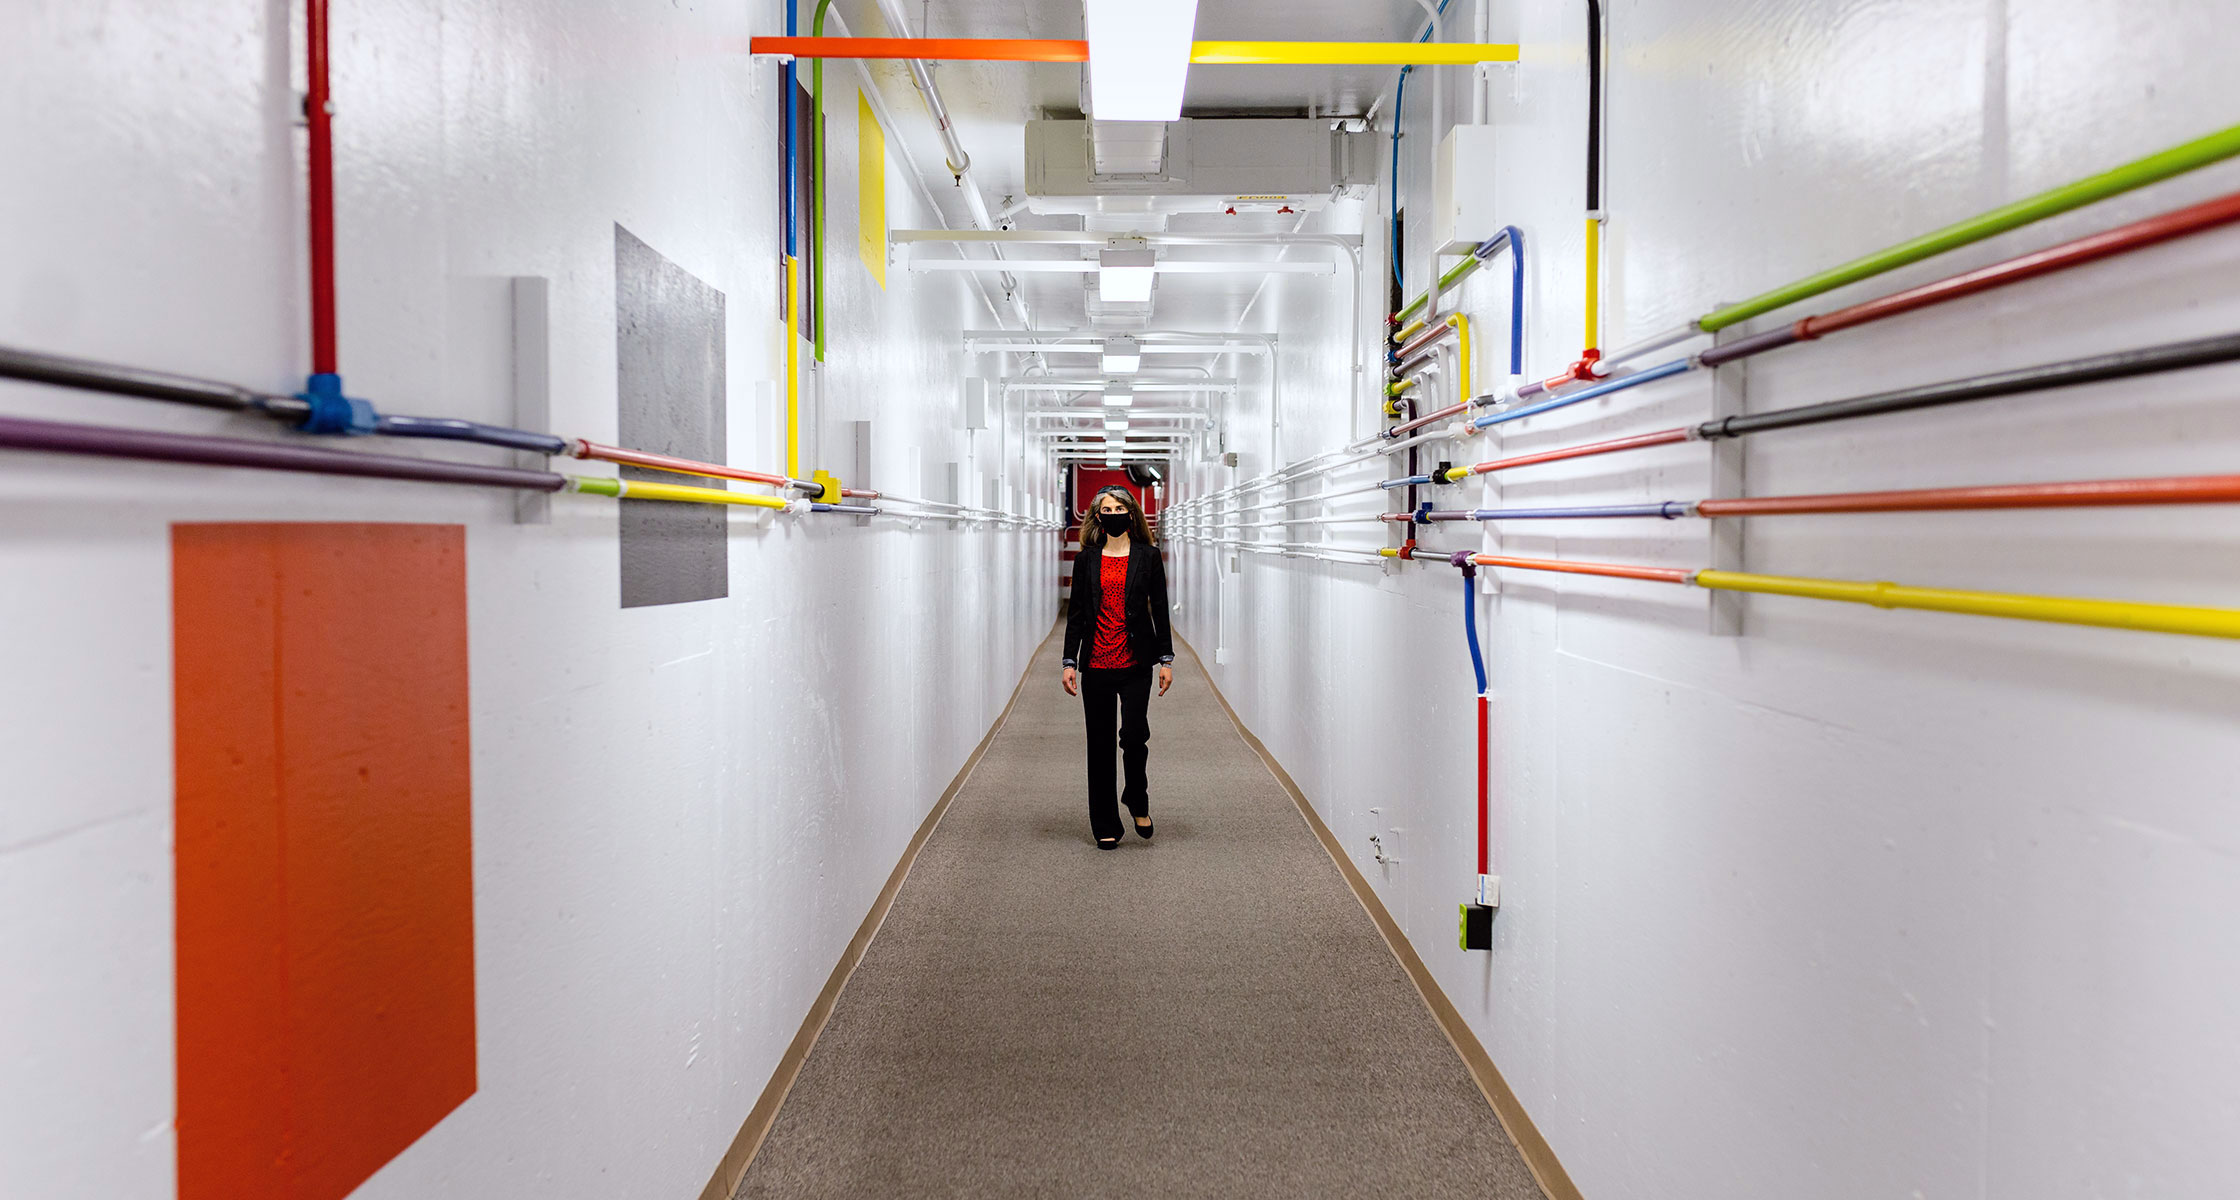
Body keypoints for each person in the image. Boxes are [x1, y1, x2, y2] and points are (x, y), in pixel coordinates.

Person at [1061, 485, 1175, 849]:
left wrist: (1166, 660)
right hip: (1096, 663)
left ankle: (1136, 798)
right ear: (1097, 517)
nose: (1112, 514)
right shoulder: (1086, 560)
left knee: (1135, 735)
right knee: (1100, 744)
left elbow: (1159, 606)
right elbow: (1076, 615)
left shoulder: (1149, 556)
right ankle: (1105, 823)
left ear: (1131, 514)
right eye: (1106, 509)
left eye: (1119, 508)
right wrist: (1068, 662)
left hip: (1135, 661)